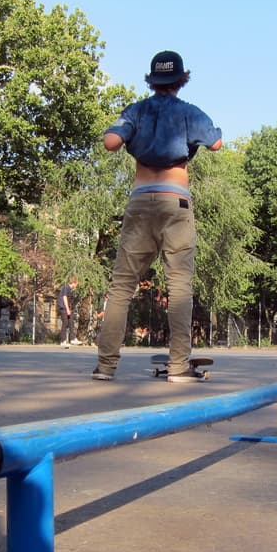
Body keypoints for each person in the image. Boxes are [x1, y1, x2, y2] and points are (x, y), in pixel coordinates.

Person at [93, 50, 222, 382]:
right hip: (175, 203)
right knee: (179, 285)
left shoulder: (136, 111)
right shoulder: (189, 113)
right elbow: (217, 144)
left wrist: (134, 133)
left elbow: (110, 141)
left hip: (140, 202)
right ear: (182, 80)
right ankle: (179, 366)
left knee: (122, 285)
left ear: (151, 80)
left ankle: (106, 366)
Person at [57, 277, 79, 348]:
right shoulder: (66, 287)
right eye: (76, 284)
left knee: (71, 321)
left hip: (67, 308)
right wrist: (67, 309)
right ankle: (63, 341)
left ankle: (72, 339)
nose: (76, 286)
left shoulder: (70, 289)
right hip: (63, 308)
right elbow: (64, 297)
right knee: (65, 322)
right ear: (74, 283)